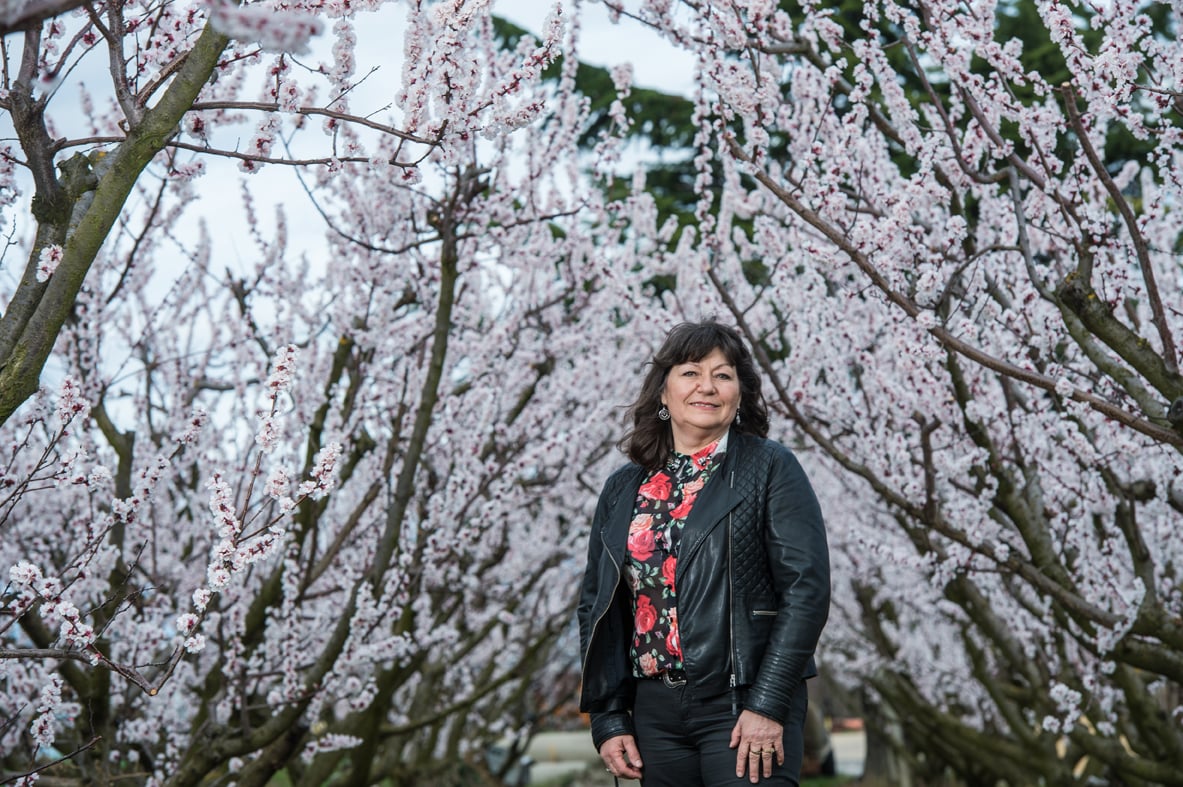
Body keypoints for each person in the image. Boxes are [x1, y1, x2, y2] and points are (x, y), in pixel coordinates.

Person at [577, 320, 830, 786]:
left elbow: (806, 591)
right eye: (691, 372)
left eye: (723, 375)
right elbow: (597, 603)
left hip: (743, 705)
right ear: (663, 391)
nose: (707, 387)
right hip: (654, 715)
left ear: (739, 394)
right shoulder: (623, 486)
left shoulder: (770, 467)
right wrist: (608, 716)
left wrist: (768, 702)